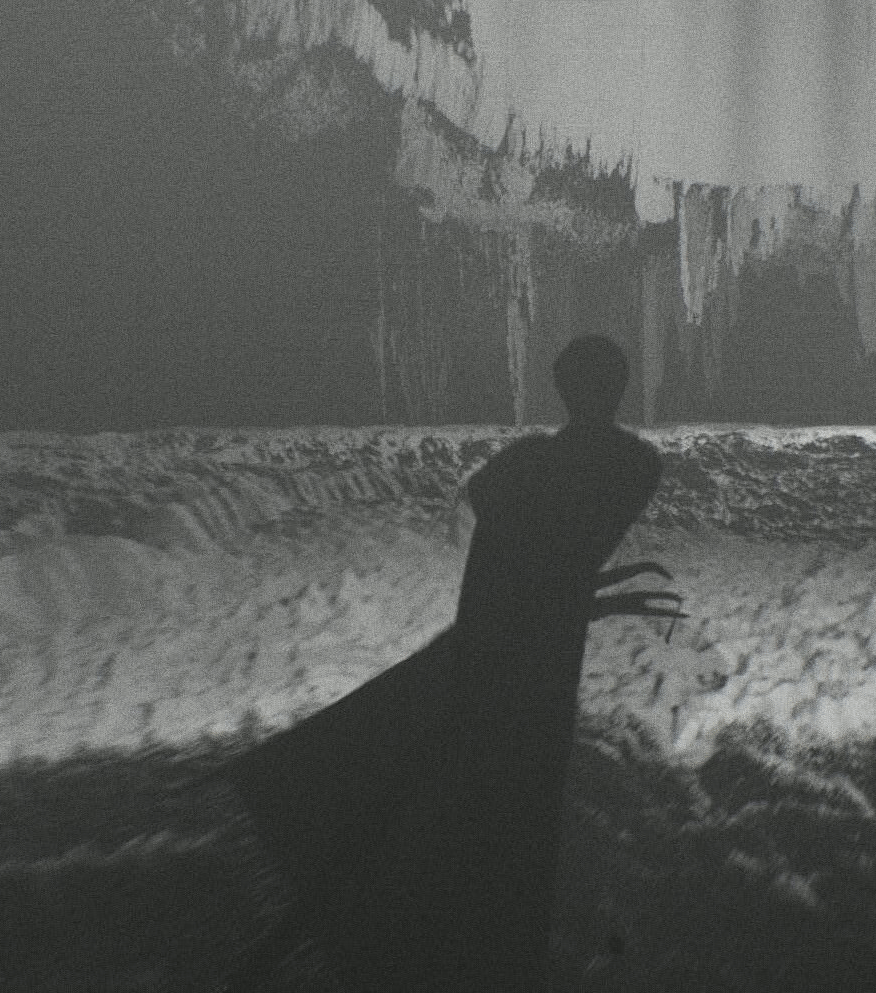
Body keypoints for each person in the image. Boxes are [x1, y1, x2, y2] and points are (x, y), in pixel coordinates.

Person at [225, 334, 680, 992]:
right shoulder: (633, 463)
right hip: (532, 646)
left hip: (506, 640)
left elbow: (508, 532)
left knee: (456, 790)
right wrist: (584, 594)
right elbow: (558, 555)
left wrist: (578, 592)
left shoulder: (529, 463)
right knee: (502, 802)